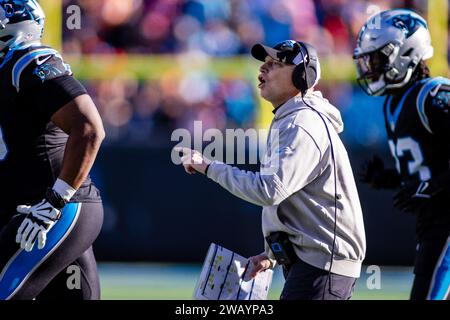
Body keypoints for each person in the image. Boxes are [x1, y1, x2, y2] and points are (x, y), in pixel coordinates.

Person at [176, 40, 366, 300]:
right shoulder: (291, 118)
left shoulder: (302, 123)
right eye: (264, 64)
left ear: (302, 75)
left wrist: (209, 167)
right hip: (316, 264)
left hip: (322, 268)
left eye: (274, 64)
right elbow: (294, 199)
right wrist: (272, 255)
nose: (262, 71)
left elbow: (270, 190)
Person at [0, 0, 105, 300]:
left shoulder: (29, 62)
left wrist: (53, 202)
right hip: (22, 208)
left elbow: (89, 128)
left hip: (51, 209)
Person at [354, 9, 450, 300]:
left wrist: (431, 187)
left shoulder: (434, 96)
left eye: (378, 57)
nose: (370, 66)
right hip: (432, 223)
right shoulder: (395, 103)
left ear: (405, 52)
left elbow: (433, 179)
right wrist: (394, 178)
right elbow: (427, 166)